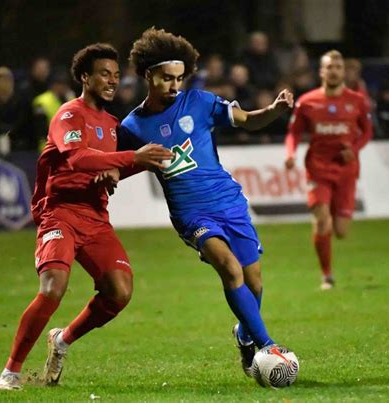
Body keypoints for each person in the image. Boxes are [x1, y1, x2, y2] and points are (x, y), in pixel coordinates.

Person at [0, 43, 173, 390]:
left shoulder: (111, 123)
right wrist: (129, 159)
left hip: (95, 217)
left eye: (116, 75)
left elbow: (113, 165)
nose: (112, 81)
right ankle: (11, 371)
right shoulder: (68, 115)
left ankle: (61, 340)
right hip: (59, 212)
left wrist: (122, 169)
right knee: (53, 287)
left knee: (119, 292)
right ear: (85, 77)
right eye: (104, 74)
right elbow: (77, 159)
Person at [118, 28, 294, 378]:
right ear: (147, 74)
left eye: (180, 78)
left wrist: (273, 110)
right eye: (167, 78)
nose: (174, 85)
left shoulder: (199, 102)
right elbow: (120, 166)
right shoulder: (132, 127)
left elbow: (248, 120)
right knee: (229, 268)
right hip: (191, 213)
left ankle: (245, 335)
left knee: (254, 281)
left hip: (229, 203)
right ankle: (268, 346)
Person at [284, 50, 372, 290]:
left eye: (338, 67)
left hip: (346, 170)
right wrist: (290, 154)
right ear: (321, 71)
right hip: (318, 168)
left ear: (343, 71)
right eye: (329, 67)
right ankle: (327, 276)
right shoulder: (307, 102)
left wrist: (353, 149)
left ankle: (328, 220)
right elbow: (294, 132)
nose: (333, 71)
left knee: (341, 231)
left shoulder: (357, 101)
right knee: (322, 222)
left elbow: (367, 131)